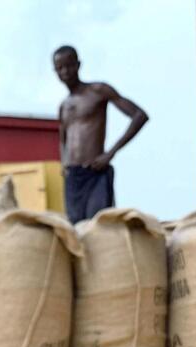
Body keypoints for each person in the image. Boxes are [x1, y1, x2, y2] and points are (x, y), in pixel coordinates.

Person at [53, 45, 148, 224]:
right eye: (59, 68)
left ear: (78, 65)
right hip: (73, 177)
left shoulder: (98, 91)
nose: (65, 72)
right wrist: (64, 163)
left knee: (100, 227)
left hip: (95, 171)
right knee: (75, 230)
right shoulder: (63, 106)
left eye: (69, 66)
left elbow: (139, 116)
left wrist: (110, 154)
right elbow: (63, 137)